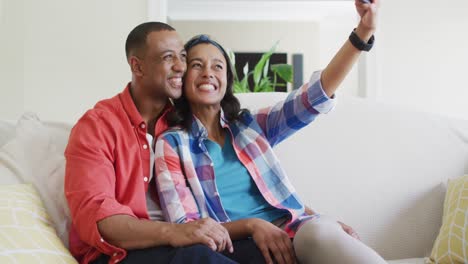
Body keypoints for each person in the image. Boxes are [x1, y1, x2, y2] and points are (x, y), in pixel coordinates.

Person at [154, 1, 387, 264]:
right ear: (182, 80)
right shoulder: (172, 143)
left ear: (227, 81)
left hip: (294, 234)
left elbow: (313, 97)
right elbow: (186, 225)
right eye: (197, 65)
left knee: (321, 232)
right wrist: (252, 225)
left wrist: (362, 34)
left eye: (218, 66)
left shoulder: (250, 127)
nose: (208, 72)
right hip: (237, 247)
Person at [64, 22, 266, 264]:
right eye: (168, 57)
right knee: (199, 256)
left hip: (184, 242)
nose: (181, 67)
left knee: (262, 251)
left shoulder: (183, 124)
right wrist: (176, 232)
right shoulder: (96, 127)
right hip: (118, 254)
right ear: (137, 66)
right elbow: (100, 219)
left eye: (182, 56)